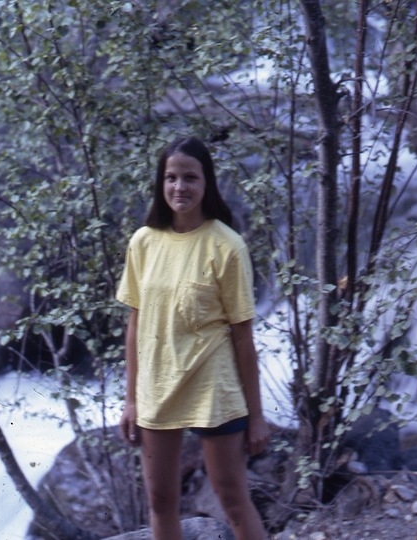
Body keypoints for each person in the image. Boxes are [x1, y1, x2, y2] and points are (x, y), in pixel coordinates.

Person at [116, 136, 269, 540]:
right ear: (160, 183)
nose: (179, 187)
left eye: (189, 178)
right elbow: (135, 324)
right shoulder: (144, 242)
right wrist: (131, 399)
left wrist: (256, 417)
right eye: (171, 178)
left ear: (206, 183)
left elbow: (243, 338)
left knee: (233, 498)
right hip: (157, 388)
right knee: (160, 502)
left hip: (212, 389)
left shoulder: (227, 246)